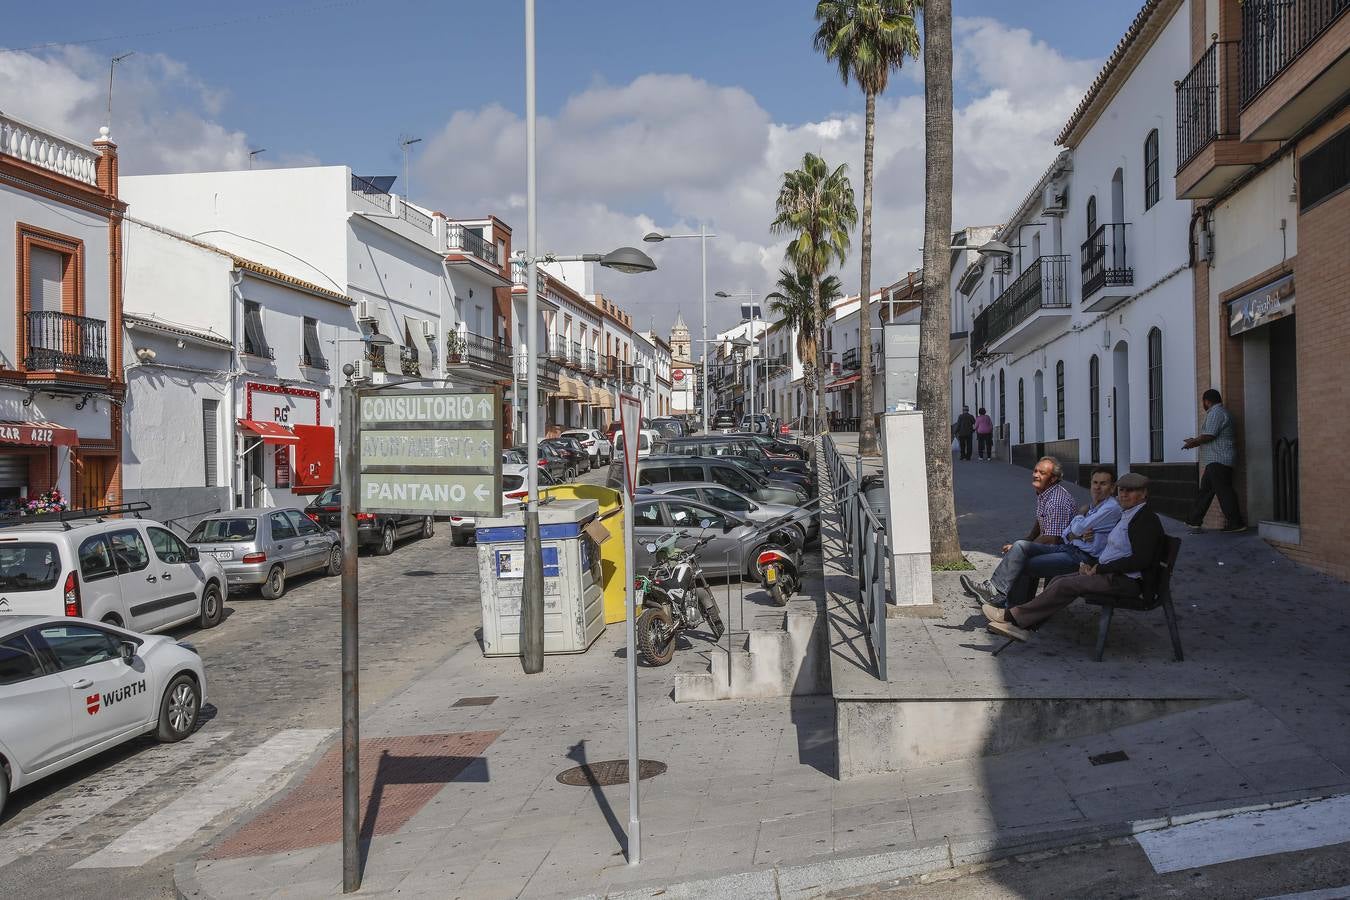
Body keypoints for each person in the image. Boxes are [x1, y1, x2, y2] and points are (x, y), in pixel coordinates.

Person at [984, 472, 1164, 641]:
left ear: (1143, 494)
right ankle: (1023, 625)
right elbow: (1073, 534)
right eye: (1122, 490)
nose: (1124, 495)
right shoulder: (1129, 514)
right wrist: (1094, 564)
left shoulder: (1145, 519)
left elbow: (1140, 560)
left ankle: (1010, 616)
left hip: (1124, 581)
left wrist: (1099, 568)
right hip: (1107, 571)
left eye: (1130, 491)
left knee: (1064, 584)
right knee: (1059, 580)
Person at [959, 456, 1078, 607]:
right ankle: (1005, 599)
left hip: (1065, 551)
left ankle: (1010, 605)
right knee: (1020, 550)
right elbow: (1041, 519)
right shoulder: (1046, 493)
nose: (1036, 475)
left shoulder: (1056, 501)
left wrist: (1023, 548)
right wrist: (1028, 538)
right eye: (1035, 471)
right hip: (1055, 546)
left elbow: (1051, 539)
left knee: (1023, 559)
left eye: (1042, 473)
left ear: (1053, 478)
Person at [1183, 389, 1246, 533]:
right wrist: (1194, 441)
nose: (1203, 405)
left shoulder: (1216, 413)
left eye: (1203, 402)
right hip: (1215, 460)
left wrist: (1192, 443)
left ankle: (1236, 523)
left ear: (1207, 401)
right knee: (1205, 491)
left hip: (1219, 459)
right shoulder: (1220, 412)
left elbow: (1209, 435)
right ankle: (1194, 520)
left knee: (1224, 492)